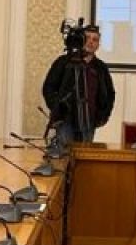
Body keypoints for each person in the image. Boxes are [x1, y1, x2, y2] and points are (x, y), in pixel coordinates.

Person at [42, 25, 116, 153]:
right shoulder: (64, 62)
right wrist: (57, 108)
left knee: (84, 157)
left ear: (98, 45)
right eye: (87, 38)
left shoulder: (100, 67)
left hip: (89, 121)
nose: (91, 42)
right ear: (80, 40)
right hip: (65, 121)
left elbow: (110, 94)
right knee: (64, 157)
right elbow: (48, 88)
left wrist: (104, 115)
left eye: (95, 39)